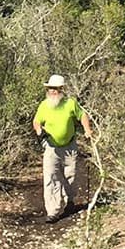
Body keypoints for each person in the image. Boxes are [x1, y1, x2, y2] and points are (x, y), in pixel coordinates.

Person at [34, 74, 95, 221]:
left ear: (61, 89)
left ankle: (70, 201)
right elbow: (36, 121)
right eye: (50, 88)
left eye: (55, 88)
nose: (52, 91)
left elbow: (82, 115)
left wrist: (87, 129)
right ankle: (53, 211)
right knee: (51, 177)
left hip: (69, 146)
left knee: (70, 175)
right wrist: (39, 132)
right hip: (51, 147)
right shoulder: (44, 105)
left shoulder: (70, 103)